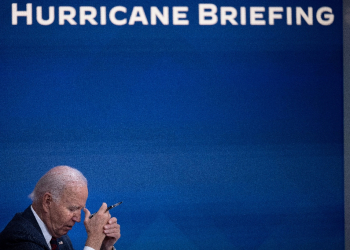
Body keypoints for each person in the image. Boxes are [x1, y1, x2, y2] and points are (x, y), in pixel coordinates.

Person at [0, 165, 121, 250]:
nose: (78, 219)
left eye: (80, 209)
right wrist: (94, 239)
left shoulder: (59, 237)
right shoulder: (19, 240)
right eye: (72, 209)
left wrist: (104, 247)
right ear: (47, 202)